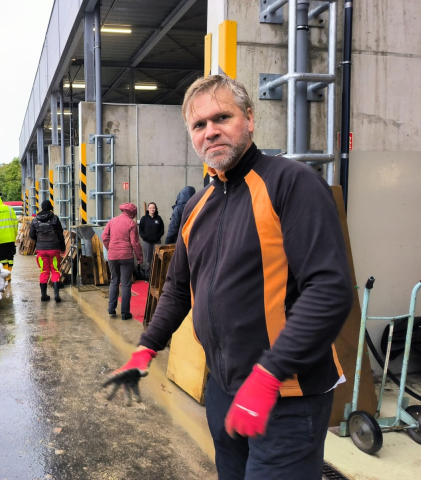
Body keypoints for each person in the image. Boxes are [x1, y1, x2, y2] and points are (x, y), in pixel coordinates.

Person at [103, 75, 353, 479]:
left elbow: (329, 290)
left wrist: (269, 374)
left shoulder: (292, 184)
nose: (211, 131)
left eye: (222, 117)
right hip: (223, 388)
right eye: (199, 125)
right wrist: (146, 348)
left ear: (249, 119)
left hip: (286, 393)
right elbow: (179, 287)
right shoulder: (196, 206)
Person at [101, 203, 144, 321]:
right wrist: (140, 257)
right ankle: (125, 313)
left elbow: (104, 236)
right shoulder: (131, 223)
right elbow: (135, 243)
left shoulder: (112, 221)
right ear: (132, 213)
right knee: (125, 284)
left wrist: (111, 248)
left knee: (114, 281)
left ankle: (111, 308)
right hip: (126, 256)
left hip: (113, 256)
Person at [29, 200, 65, 302]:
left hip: (41, 250)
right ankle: (57, 295)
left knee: (44, 271)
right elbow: (60, 234)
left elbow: (31, 235)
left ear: (41, 207)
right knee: (55, 270)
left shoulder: (35, 220)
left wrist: (39, 240)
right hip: (54, 249)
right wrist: (62, 248)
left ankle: (44, 295)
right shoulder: (55, 218)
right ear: (50, 207)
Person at [0, 192, 19, 279]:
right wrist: (14, 235)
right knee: (10, 257)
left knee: (1, 258)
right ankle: (9, 275)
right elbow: (15, 223)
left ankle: (5, 276)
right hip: (10, 238)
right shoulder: (9, 208)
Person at [138, 202, 164, 279]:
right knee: (148, 259)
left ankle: (156, 276)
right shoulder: (144, 218)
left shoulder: (159, 218)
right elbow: (141, 230)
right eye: (150, 208)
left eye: (153, 208)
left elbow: (161, 230)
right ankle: (148, 276)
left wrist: (157, 236)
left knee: (157, 259)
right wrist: (145, 237)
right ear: (148, 209)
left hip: (156, 242)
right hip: (147, 242)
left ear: (155, 209)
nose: (152, 209)